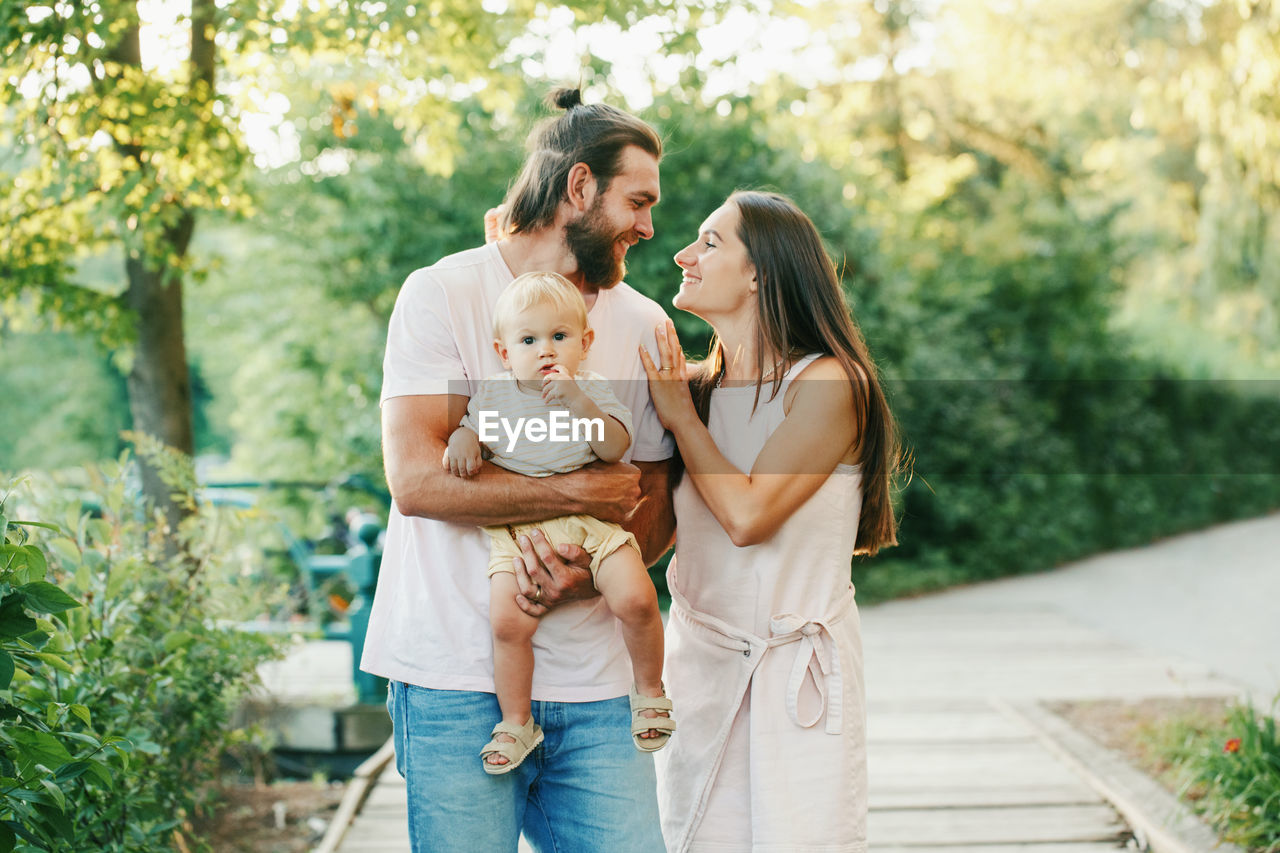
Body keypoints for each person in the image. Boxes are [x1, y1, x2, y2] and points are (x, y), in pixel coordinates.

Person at [362, 88, 674, 853]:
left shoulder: (643, 324)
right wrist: (574, 491)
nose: (648, 224)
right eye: (636, 200)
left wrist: (580, 568)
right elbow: (418, 481)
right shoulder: (441, 294)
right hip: (453, 678)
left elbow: (661, 504)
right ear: (578, 187)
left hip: (601, 688)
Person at [638, 190, 900, 852]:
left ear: (760, 272)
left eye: (710, 242)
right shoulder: (693, 392)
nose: (683, 255)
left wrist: (677, 416)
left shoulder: (830, 383)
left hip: (795, 682)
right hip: (700, 673)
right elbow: (651, 537)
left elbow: (747, 514)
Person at [441, 271, 674, 774]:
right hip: (522, 530)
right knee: (507, 622)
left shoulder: (591, 390)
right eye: (529, 340)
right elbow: (471, 432)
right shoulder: (497, 396)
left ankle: (650, 691)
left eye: (560, 337)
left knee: (636, 597)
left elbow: (614, 448)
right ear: (505, 353)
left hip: (591, 522)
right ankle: (517, 722)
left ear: (584, 344)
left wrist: (579, 403)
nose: (545, 350)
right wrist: (463, 440)